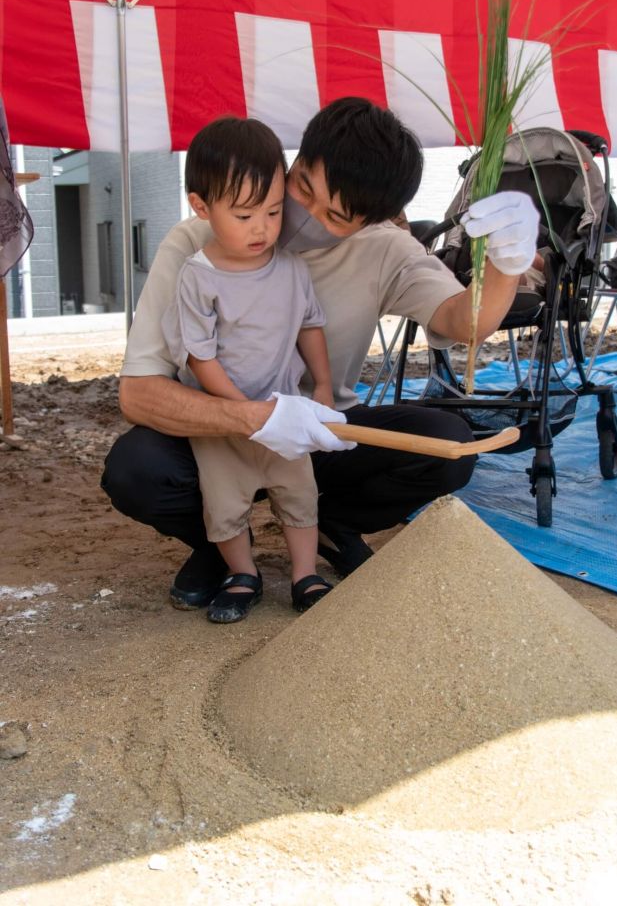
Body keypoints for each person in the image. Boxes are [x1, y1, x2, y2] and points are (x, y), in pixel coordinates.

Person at [102, 97, 539, 618]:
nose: (300, 217)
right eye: (302, 187)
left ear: (371, 222)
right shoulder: (197, 243)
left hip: (324, 437)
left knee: (446, 446)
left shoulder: (385, 249)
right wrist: (253, 418)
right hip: (215, 440)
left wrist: (507, 265)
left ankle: (329, 522)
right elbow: (139, 393)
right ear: (294, 160)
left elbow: (463, 323)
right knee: (137, 469)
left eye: (335, 216)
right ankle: (218, 548)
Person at [161, 116, 348, 623]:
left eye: (271, 211)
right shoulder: (198, 277)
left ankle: (305, 573)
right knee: (224, 505)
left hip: (284, 410)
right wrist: (243, 412)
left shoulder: (290, 267)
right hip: (222, 422)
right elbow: (201, 357)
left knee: (298, 492)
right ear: (201, 207)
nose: (262, 228)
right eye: (244, 216)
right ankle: (242, 574)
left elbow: (310, 327)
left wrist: (324, 386)